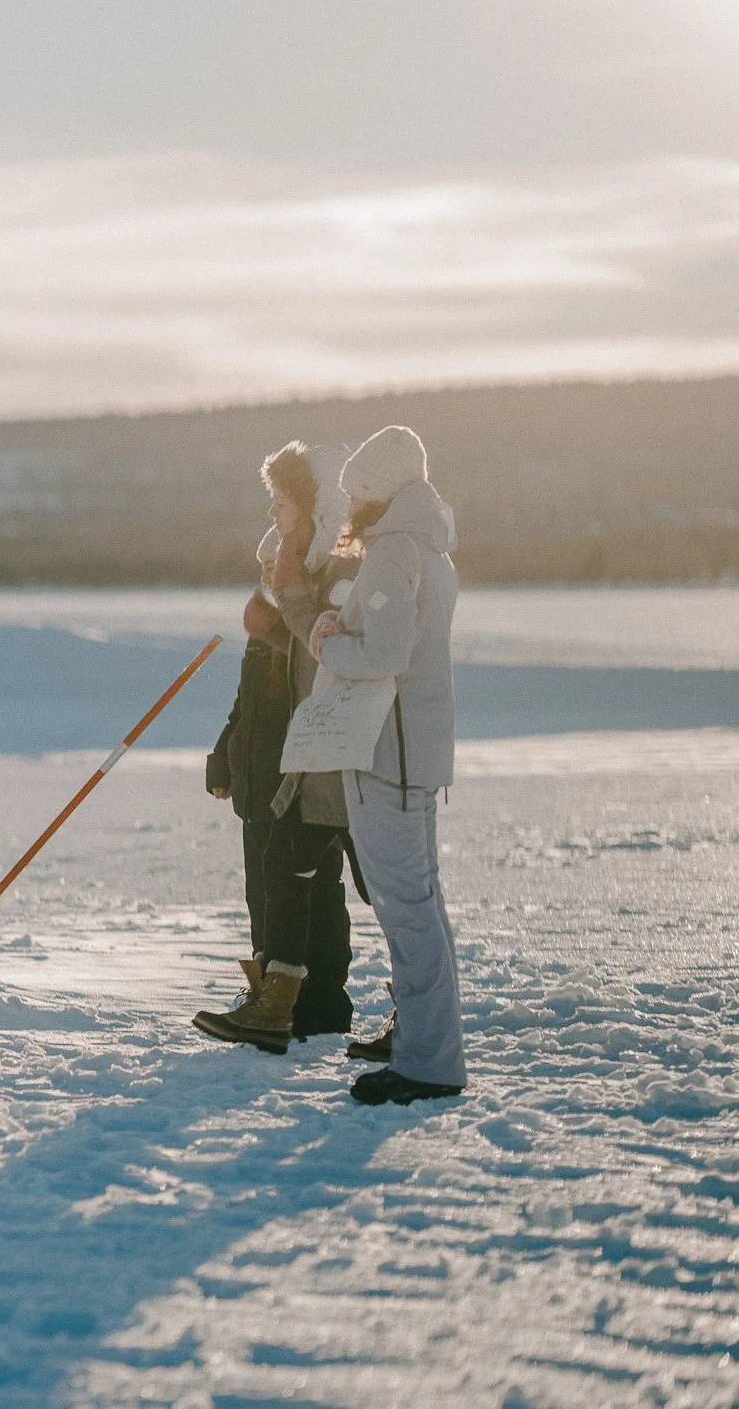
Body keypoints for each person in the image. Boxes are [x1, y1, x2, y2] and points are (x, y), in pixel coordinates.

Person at [311, 425, 464, 1105]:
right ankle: (420, 1038)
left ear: (376, 491)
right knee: (417, 903)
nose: (348, 508)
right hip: (410, 753)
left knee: (407, 908)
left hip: (388, 756)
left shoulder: (395, 552)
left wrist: (327, 645)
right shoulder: (426, 548)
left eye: (355, 493)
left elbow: (385, 654)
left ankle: (429, 1060)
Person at [196, 441, 360, 1053]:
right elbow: (249, 701)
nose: (273, 515)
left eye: (282, 503)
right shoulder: (275, 611)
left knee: (317, 886)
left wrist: (275, 624)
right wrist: (224, 754)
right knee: (269, 887)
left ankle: (319, 1001)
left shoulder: (331, 587)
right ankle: (276, 992)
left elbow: (316, 676)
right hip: (263, 770)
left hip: (307, 768)